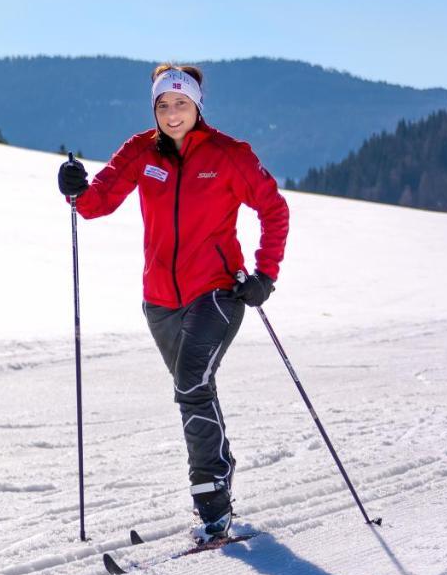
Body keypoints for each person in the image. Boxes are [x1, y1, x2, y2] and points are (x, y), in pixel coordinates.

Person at [57, 64, 289, 540]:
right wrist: (76, 189)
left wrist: (265, 274)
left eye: (180, 103)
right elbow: (100, 200)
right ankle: (219, 474)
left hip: (219, 293)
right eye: (163, 104)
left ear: (197, 106)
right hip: (159, 300)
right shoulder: (141, 151)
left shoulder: (229, 155)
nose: (172, 112)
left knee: (190, 385)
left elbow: (273, 208)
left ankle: (211, 501)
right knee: (194, 392)